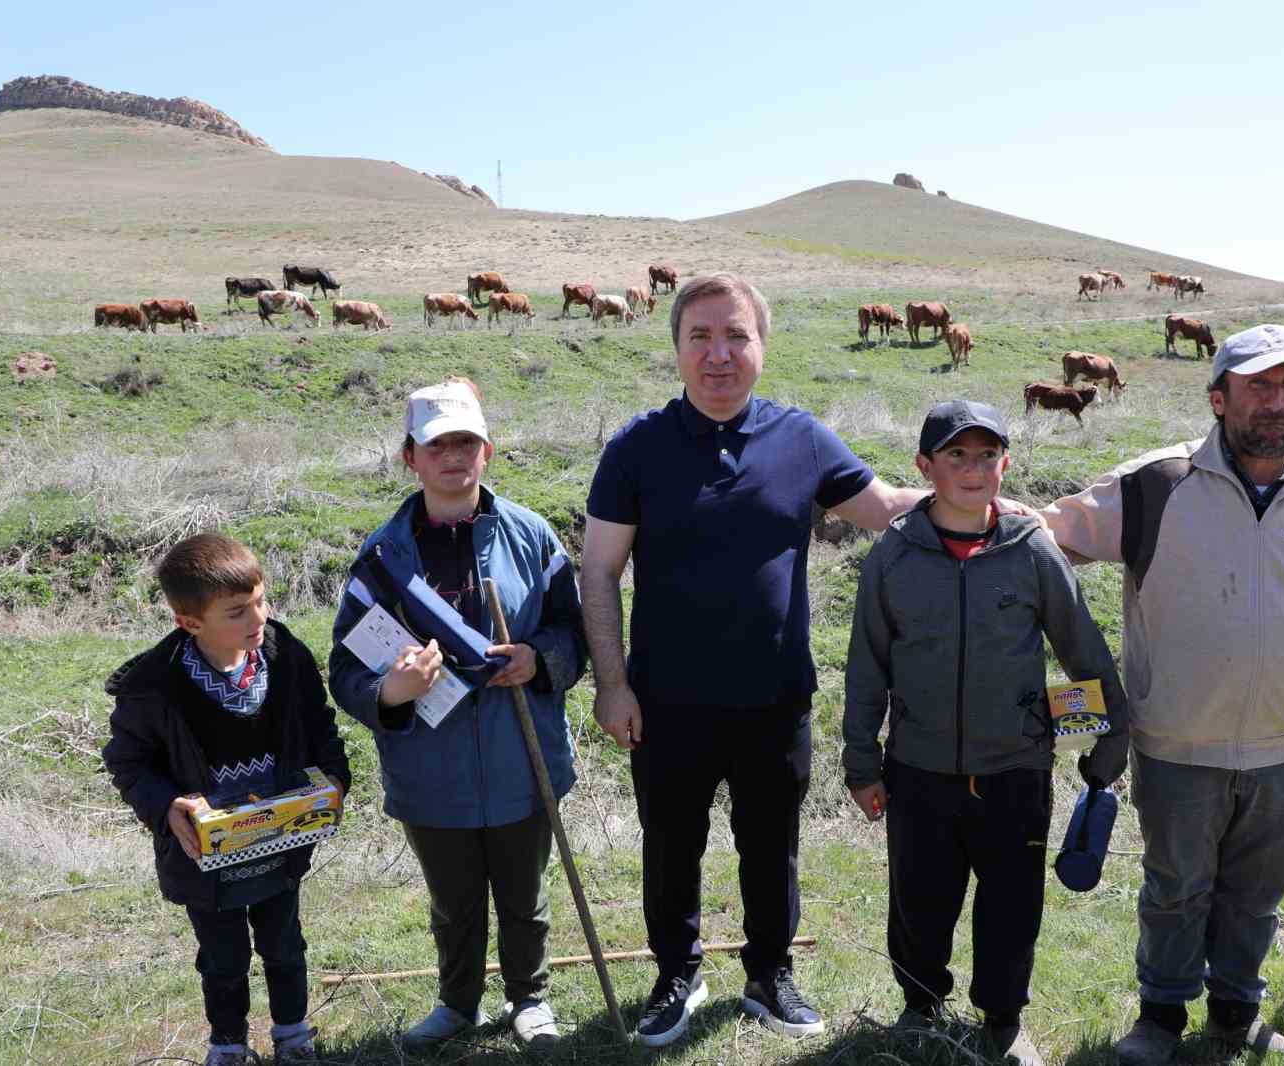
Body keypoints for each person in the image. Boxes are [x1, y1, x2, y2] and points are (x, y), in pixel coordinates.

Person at [581, 273, 1035, 1047]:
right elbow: (598, 572)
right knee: (670, 846)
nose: (719, 355)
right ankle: (675, 977)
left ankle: (769, 973)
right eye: (701, 337)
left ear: (761, 345)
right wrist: (612, 685)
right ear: (677, 348)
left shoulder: (801, 438)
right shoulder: (636, 449)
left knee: (772, 846)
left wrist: (984, 506)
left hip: (775, 699)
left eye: (736, 336)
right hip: (666, 702)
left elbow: (884, 507)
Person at [1037, 324, 1284, 1064]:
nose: (1278, 401)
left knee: (1257, 896)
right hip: (1178, 743)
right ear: (1219, 398)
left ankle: (1235, 1017)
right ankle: (1159, 1021)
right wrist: (950, 504)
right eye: (1259, 386)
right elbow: (1045, 534)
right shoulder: (1157, 485)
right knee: (1175, 889)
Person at [842, 400, 1130, 1066]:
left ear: (1005, 462)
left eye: (987, 455)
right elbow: (866, 666)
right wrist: (862, 764)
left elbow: (1082, 648)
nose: (973, 470)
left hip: (1016, 771)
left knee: (1011, 904)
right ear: (925, 466)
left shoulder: (1032, 550)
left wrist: (1107, 736)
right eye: (956, 456)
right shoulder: (894, 555)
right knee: (919, 900)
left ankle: (1003, 1020)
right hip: (918, 768)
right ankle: (919, 1007)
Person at [328, 379, 586, 1051]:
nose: (452, 456)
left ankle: (529, 998)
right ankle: (457, 1003)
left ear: (487, 451)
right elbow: (346, 671)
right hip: (429, 768)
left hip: (522, 754)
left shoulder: (533, 537)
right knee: (453, 901)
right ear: (409, 458)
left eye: (465, 442)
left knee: (525, 894)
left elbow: (574, 634)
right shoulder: (382, 559)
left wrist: (538, 658)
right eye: (436, 445)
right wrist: (392, 691)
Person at [103, 532, 352, 1066]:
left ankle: (293, 1038)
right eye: (237, 612)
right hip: (205, 858)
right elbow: (128, 761)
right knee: (223, 958)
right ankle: (229, 1045)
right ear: (189, 622)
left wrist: (334, 778)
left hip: (281, 841)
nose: (257, 618)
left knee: (285, 944)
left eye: (260, 601)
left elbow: (320, 727)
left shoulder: (286, 658)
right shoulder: (153, 685)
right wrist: (165, 807)